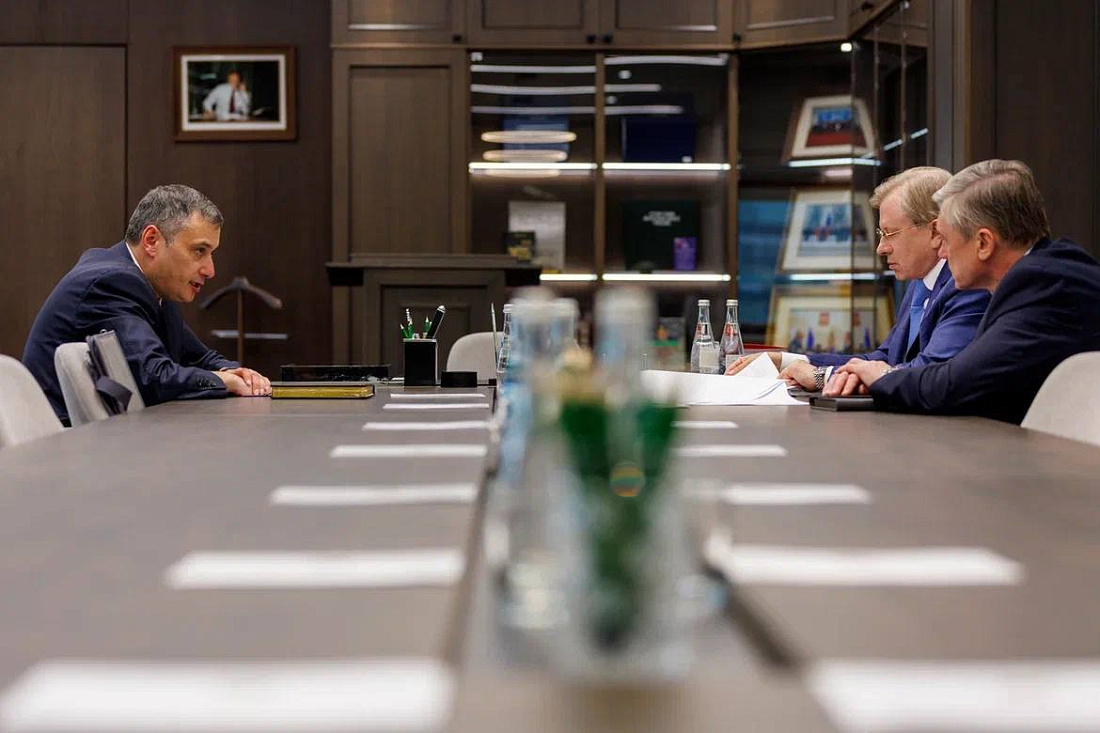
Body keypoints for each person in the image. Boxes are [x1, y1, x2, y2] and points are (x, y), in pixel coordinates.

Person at [827, 159, 1100, 424]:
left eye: (946, 239)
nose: (942, 252)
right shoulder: (1043, 275)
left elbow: (953, 383)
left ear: (983, 243)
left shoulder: (1043, 286)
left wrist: (883, 376)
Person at [23, 184, 271, 424]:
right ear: (152, 240)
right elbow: (154, 377)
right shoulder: (112, 282)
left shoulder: (153, 285)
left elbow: (198, 357)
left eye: (211, 253)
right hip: (66, 442)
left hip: (107, 436)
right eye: (199, 251)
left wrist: (238, 374)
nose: (210, 270)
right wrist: (224, 381)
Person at [727, 167, 991, 391]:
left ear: (934, 231)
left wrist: (821, 377)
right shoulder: (921, 283)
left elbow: (928, 371)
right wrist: (787, 361)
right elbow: (885, 358)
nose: (881, 248)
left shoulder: (966, 285)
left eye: (890, 233)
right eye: (880, 234)